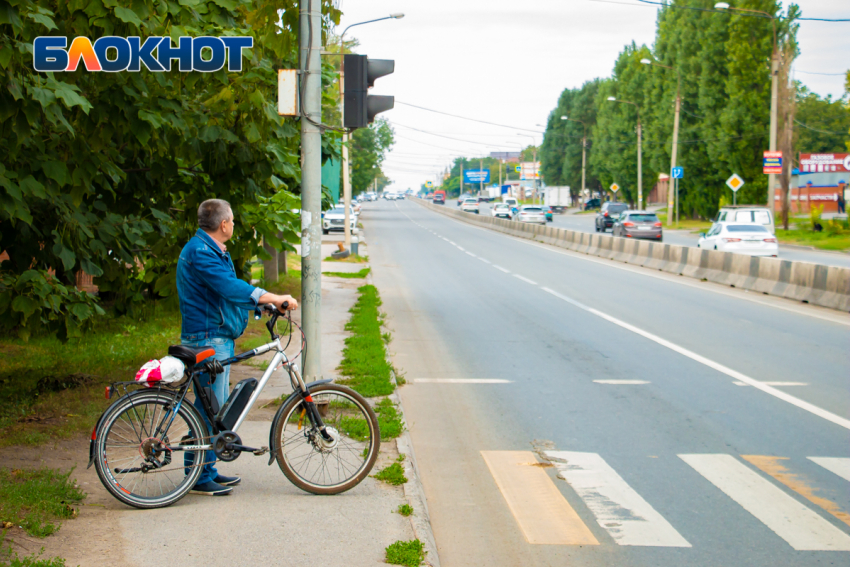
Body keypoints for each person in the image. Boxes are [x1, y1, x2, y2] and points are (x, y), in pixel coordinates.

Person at [176, 198, 297, 496]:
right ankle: (199, 477)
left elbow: (226, 292)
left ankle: (206, 471)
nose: (233, 224)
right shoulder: (201, 252)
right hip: (208, 338)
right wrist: (271, 296)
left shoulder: (211, 250)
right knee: (210, 411)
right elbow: (229, 287)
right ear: (224, 224)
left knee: (211, 410)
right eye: (232, 220)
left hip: (215, 336)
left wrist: (264, 307)